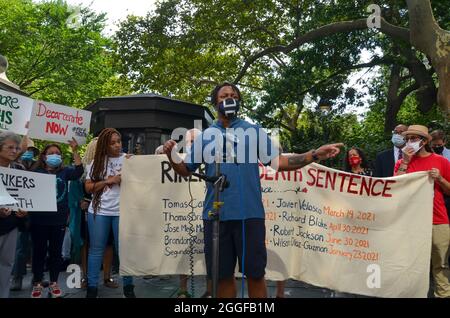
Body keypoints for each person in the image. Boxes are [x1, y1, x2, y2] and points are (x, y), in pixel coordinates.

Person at [163, 82, 343, 298]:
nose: (229, 99)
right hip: (215, 217)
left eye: (233, 95)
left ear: (239, 102)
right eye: (224, 96)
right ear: (215, 102)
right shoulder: (205, 136)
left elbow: (279, 163)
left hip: (250, 215)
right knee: (221, 276)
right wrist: (172, 155)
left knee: (256, 274)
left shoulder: (253, 130)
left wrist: (313, 155)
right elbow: (185, 170)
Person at [394, 125, 450, 298]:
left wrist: (440, 178)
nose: (410, 142)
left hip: (438, 220)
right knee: (411, 264)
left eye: (414, 138)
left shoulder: (441, 161)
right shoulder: (401, 161)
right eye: (408, 138)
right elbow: (394, 188)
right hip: (411, 221)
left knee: (440, 264)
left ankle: (443, 295)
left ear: (424, 141)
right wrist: (405, 161)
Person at [84, 128, 135, 298]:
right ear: (104, 145)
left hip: (123, 212)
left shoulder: (129, 160)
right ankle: (92, 289)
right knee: (96, 250)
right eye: (112, 143)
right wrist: (108, 181)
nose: (117, 145)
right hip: (99, 211)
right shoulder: (95, 163)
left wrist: (133, 166)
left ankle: (129, 289)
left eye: (118, 141)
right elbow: (89, 188)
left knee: (125, 252)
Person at [30, 139, 83, 298]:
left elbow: (79, 171)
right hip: (38, 219)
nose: (55, 156)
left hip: (58, 219)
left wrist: (74, 150)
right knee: (39, 252)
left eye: (58, 154)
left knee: (56, 252)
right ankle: (37, 283)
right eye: (51, 153)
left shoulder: (65, 171)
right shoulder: (36, 172)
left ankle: (54, 283)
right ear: (44, 156)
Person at [0, 132, 28, 298]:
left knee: (6, 264)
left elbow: (25, 197)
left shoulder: (20, 170)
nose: (14, 150)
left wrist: (24, 210)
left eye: (16, 148)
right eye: (9, 147)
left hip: (12, 224)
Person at [10, 136, 39, 291]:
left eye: (31, 150)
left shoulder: (38, 166)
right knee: (21, 247)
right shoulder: (13, 166)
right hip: (20, 213)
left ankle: (37, 277)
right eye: (25, 149)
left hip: (37, 212)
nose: (28, 152)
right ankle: (17, 277)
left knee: (38, 246)